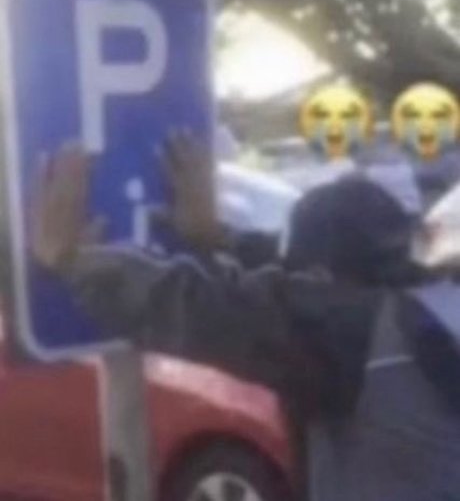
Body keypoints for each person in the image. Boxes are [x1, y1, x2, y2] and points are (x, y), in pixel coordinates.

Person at [29, 135, 460, 501]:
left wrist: (73, 262)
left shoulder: (349, 336)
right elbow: (280, 278)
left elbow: (204, 309)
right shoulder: (435, 306)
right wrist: (217, 237)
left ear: (321, 278)